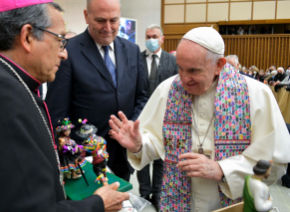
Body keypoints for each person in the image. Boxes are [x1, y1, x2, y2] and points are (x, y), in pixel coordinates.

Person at [109, 27, 290, 211]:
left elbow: (276, 163)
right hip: (178, 202)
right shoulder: (168, 89)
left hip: (233, 204)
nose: (184, 79)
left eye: (194, 70)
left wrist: (223, 170)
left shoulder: (256, 94)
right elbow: (155, 142)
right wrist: (139, 145)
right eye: (180, 68)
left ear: (219, 64)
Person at [0, 0, 129, 211]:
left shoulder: (5, 81)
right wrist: (97, 204)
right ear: (27, 36)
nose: (64, 54)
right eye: (60, 40)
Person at [45, 0, 148, 182]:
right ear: (87, 16)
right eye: (101, 20)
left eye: (113, 20)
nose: (108, 28)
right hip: (85, 161)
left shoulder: (132, 50)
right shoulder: (69, 51)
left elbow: (142, 97)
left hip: (123, 156)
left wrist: (131, 125)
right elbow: (57, 113)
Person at [137, 24, 178, 208]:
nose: (150, 39)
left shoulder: (172, 61)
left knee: (162, 157)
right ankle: (144, 193)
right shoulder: (137, 59)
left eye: (154, 36)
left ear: (162, 39)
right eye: (148, 36)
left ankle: (158, 194)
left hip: (165, 117)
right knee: (142, 156)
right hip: (142, 117)